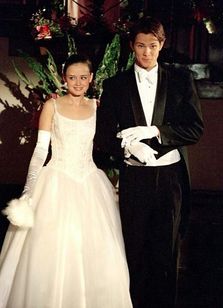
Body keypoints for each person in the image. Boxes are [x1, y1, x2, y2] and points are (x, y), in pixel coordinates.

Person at [0, 54, 133, 308]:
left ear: (92, 79)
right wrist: (28, 191)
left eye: (83, 77)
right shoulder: (52, 106)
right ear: (64, 78)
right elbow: (40, 150)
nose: (78, 82)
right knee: (51, 250)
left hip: (90, 182)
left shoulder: (97, 106)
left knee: (94, 250)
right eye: (72, 77)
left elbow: (108, 143)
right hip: (56, 181)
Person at [95, 16, 204, 308]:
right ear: (132, 46)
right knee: (135, 252)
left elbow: (195, 128)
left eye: (152, 46)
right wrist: (127, 148)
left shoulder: (181, 79)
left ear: (162, 45)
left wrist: (155, 131)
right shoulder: (116, 85)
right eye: (141, 46)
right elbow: (103, 137)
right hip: (135, 179)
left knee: (166, 255)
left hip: (169, 179)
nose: (146, 53)